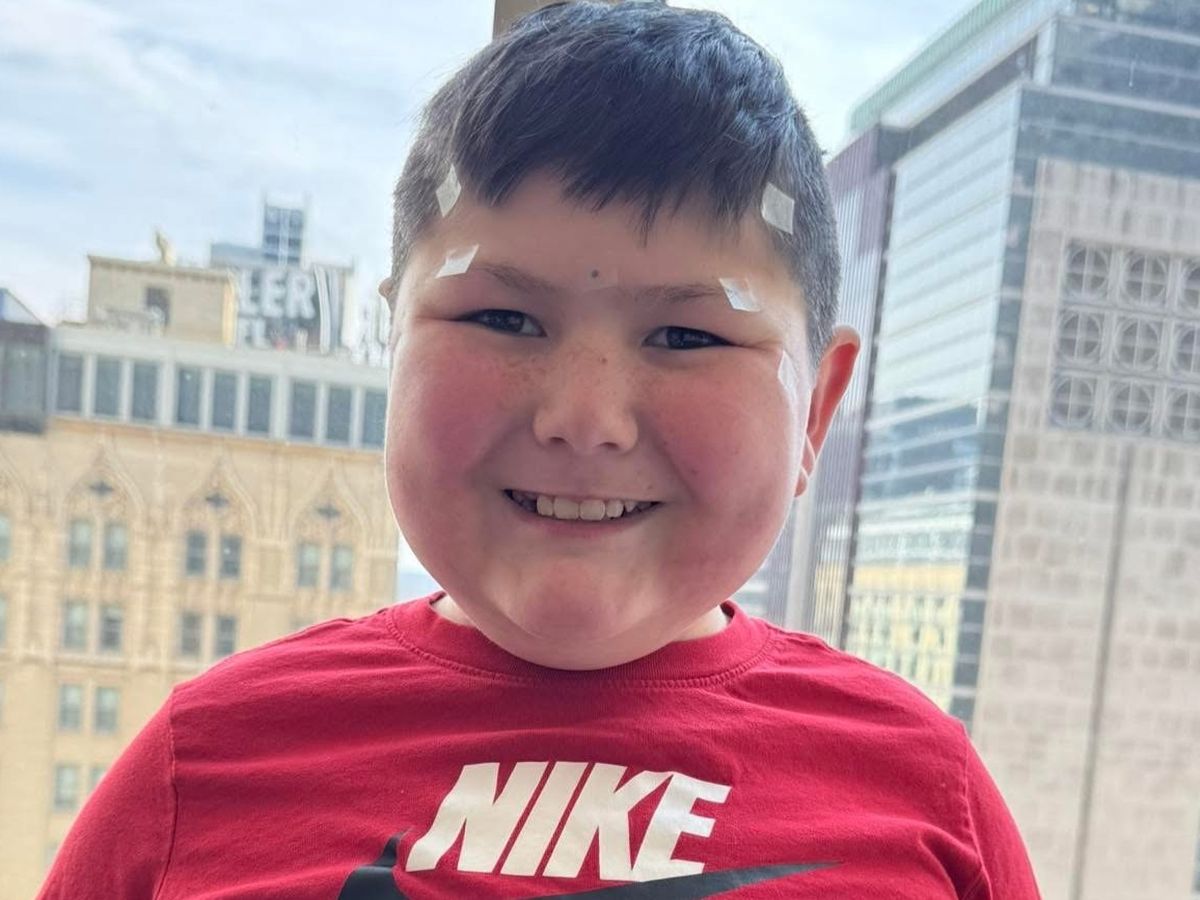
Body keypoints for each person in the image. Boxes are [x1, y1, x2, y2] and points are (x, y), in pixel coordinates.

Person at [39, 3, 1042, 897]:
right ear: (394, 347)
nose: (584, 416)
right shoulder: (202, 762)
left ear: (815, 410)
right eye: (502, 319)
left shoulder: (927, 793)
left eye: (686, 335)